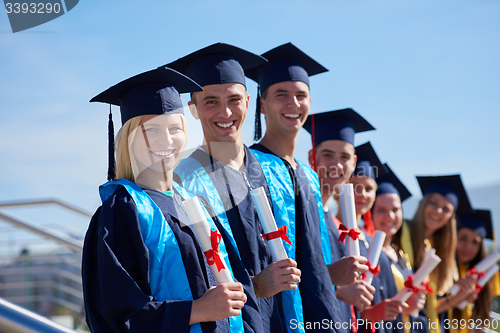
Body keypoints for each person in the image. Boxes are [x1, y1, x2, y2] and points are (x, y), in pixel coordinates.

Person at [82, 67, 247, 333]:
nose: (167, 140)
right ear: (128, 137)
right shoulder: (123, 209)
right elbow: (113, 314)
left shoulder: (194, 204)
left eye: (174, 128)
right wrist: (198, 310)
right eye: (151, 130)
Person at [166, 43, 301, 333]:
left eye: (234, 99)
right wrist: (254, 286)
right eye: (211, 101)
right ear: (193, 108)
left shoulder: (276, 172)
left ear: (249, 101)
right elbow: (188, 276)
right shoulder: (181, 182)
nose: (225, 111)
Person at [247, 43, 349, 332]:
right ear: (262, 105)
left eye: (301, 95)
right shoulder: (249, 165)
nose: (294, 103)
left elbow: (315, 261)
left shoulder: (309, 176)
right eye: (281, 95)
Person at [303, 109, 377, 332]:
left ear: (354, 163)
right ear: (311, 158)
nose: (336, 164)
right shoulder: (299, 213)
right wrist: (336, 289)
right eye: (327, 155)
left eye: (344, 157)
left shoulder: (337, 227)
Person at [397, 175, 475, 333]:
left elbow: (426, 310)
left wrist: (453, 300)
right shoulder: (399, 233)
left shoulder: (438, 252)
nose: (438, 211)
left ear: (450, 219)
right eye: (433, 203)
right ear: (422, 204)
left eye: (446, 209)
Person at [371, 163, 428, 333]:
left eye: (395, 210)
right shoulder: (368, 254)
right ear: (370, 213)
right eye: (381, 210)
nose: (390, 216)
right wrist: (404, 308)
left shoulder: (401, 254)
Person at [447, 209, 500, 333]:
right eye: (463, 238)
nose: (468, 247)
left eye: (475, 242)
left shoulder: (478, 277)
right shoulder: (440, 271)